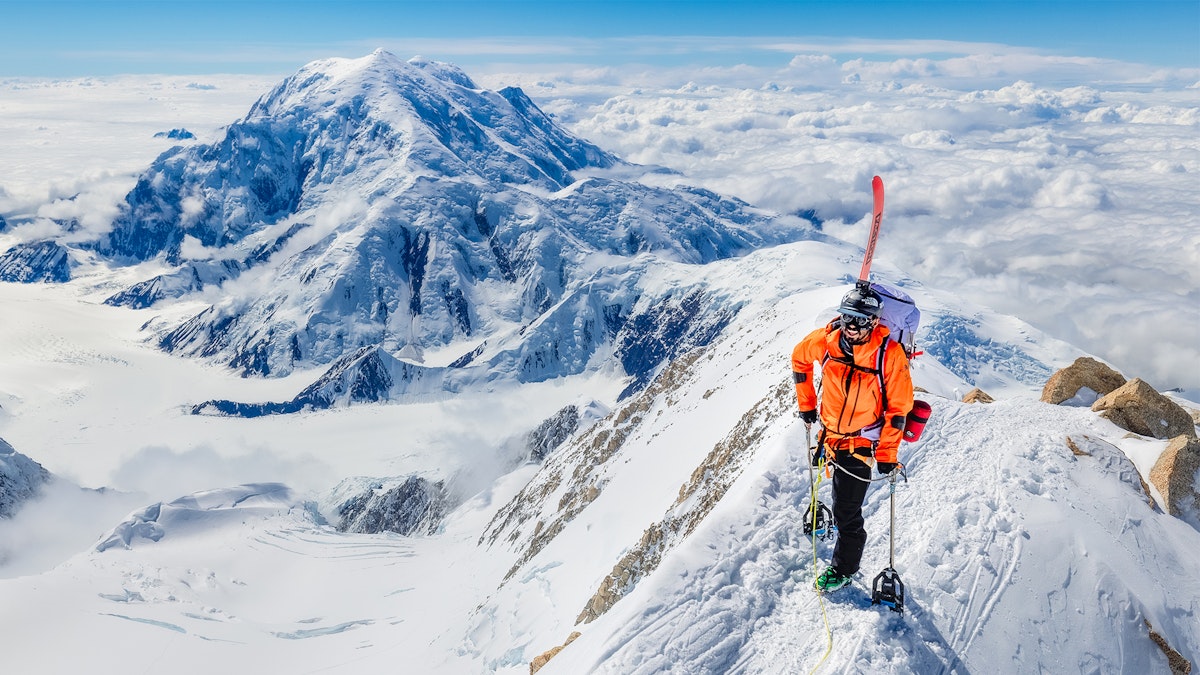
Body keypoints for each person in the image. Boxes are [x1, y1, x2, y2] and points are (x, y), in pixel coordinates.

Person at [791, 284, 914, 592]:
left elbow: (899, 408)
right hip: (830, 436)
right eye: (847, 317)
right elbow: (799, 359)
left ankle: (844, 568)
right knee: (834, 492)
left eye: (860, 320)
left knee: (848, 512)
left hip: (861, 445)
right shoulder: (826, 341)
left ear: (874, 322)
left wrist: (886, 455)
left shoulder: (888, 355)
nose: (851, 326)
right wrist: (806, 406)